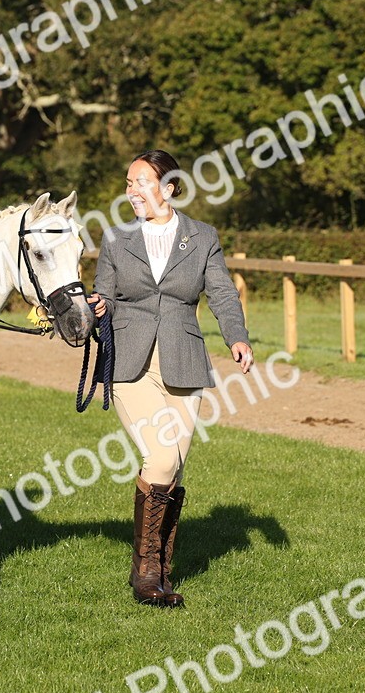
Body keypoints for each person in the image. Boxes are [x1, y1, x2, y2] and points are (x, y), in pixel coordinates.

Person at [86, 149, 253, 607]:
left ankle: (159, 565)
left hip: (184, 358)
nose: (131, 191)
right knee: (159, 459)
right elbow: (106, 296)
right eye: (128, 183)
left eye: (140, 182)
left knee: (173, 469)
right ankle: (146, 574)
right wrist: (99, 307)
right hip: (129, 364)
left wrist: (236, 337)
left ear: (169, 186)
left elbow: (220, 291)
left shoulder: (202, 237)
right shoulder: (117, 239)